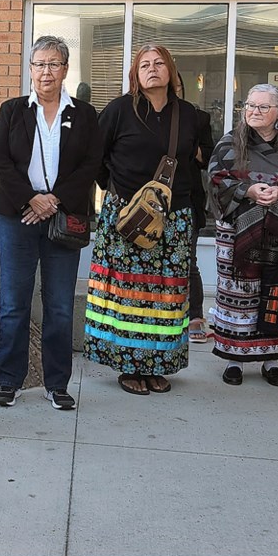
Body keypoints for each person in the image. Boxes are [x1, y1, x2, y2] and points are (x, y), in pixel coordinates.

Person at [0, 36, 104, 409]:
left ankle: (57, 384)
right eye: (39, 64)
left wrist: (53, 201)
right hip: (17, 216)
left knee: (58, 305)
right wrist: (31, 198)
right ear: (31, 69)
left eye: (54, 64)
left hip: (63, 217)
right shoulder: (13, 109)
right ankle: (9, 381)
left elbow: (90, 164)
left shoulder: (84, 115)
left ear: (66, 69)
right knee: (13, 302)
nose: (46, 71)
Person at [84, 44, 199, 395]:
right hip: (125, 219)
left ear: (172, 71)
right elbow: (95, 157)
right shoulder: (119, 110)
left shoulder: (191, 114)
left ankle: (158, 365)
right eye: (144, 65)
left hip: (174, 218)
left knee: (167, 294)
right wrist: (118, 193)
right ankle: (130, 366)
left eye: (159, 63)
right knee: (128, 293)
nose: (152, 69)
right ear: (135, 74)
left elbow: (195, 165)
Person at [207, 84, 278, 387]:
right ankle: (234, 358)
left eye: (262, 107)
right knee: (238, 296)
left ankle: (271, 361)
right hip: (238, 234)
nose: (254, 112)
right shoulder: (230, 142)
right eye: (250, 106)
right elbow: (215, 177)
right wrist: (247, 189)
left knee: (275, 292)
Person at [175, 73, 214, 343]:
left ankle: (195, 316)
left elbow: (207, 157)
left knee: (188, 261)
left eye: (176, 85)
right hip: (152, 201)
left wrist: (185, 142)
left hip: (188, 197)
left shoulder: (198, 118)